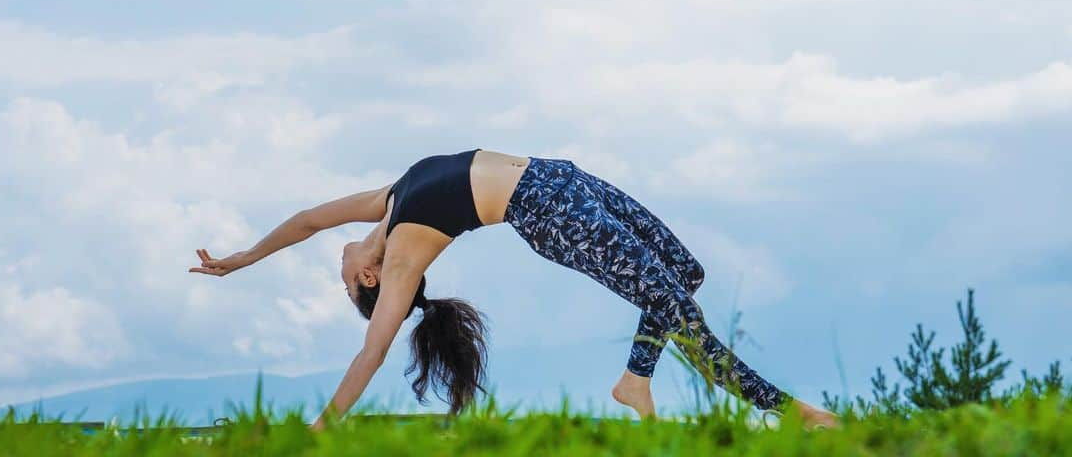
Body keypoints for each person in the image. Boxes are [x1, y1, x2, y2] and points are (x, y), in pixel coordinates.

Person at [190, 147, 839, 430]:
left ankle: (639, 378)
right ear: (368, 277)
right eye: (343, 283)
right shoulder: (399, 262)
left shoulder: (386, 203)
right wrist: (322, 425)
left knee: (684, 276)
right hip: (548, 213)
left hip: (562, 175)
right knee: (673, 305)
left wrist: (241, 260)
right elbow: (371, 354)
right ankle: (788, 412)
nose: (337, 266)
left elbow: (306, 221)